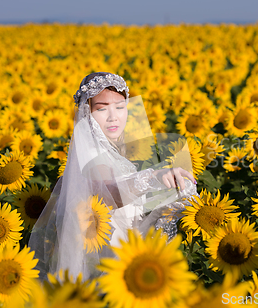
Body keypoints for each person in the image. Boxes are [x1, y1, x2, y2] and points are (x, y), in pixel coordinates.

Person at [28, 72, 199, 281]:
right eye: (101, 109)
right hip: (105, 260)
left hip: (123, 251)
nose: (113, 116)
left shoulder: (108, 150)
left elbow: (128, 210)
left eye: (120, 107)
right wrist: (155, 176)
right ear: (86, 112)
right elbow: (109, 194)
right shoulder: (89, 155)